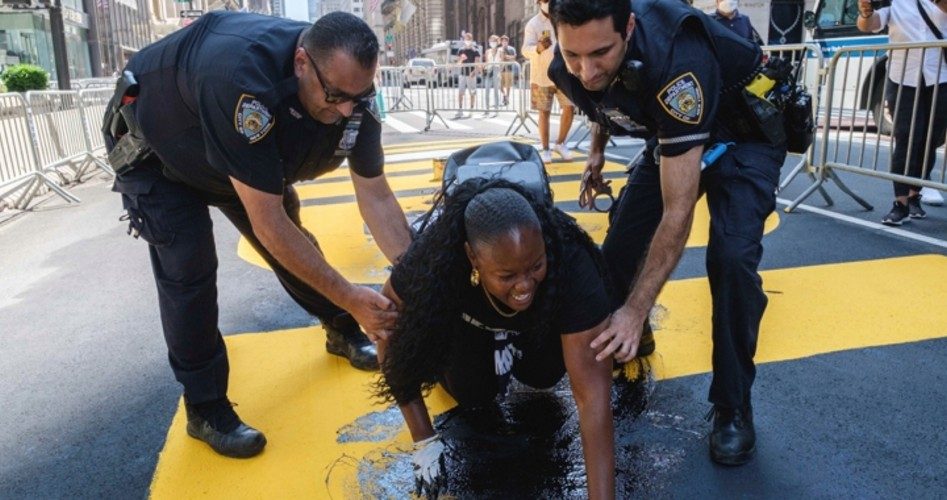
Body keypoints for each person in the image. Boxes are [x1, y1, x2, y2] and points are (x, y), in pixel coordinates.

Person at [106, 11, 412, 458]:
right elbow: (267, 223)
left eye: (359, 95)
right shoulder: (241, 80)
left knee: (294, 241)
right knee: (188, 266)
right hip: (162, 154)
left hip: (229, 160)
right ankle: (206, 407)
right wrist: (351, 293)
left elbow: (378, 199)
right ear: (302, 62)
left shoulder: (354, 96)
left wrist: (416, 275)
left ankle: (341, 328)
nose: (347, 110)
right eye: (335, 96)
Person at [548, 0, 787, 465]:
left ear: (630, 27)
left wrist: (638, 309)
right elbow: (602, 99)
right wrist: (596, 154)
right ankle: (629, 341)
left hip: (742, 134)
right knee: (618, 249)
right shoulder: (570, 61)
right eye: (573, 55)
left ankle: (733, 406)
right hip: (674, 132)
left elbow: (678, 212)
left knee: (731, 260)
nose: (585, 68)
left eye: (600, 53)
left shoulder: (677, 60)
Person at [372, 179, 616, 498]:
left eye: (535, 266)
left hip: (537, 324)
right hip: (470, 325)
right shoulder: (434, 257)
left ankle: (518, 340)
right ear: (473, 258)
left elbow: (593, 399)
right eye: (507, 275)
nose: (524, 284)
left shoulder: (570, 259)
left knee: (544, 377)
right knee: (473, 395)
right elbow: (385, 331)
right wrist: (423, 439)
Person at [858, 0, 947, 225]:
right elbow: (868, 25)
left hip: (940, 76)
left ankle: (915, 193)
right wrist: (866, 13)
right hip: (902, 78)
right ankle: (900, 203)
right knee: (906, 137)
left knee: (931, 139)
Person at [523, 0, 575, 163]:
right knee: (543, 112)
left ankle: (560, 143)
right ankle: (545, 149)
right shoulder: (533, 24)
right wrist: (537, 48)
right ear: (539, 2)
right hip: (541, 76)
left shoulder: (564, 18)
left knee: (569, 107)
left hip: (564, 74)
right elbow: (525, 50)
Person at [454, 32, 482, 119]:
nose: (467, 40)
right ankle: (460, 109)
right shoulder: (461, 50)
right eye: (466, 39)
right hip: (462, 74)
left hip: (471, 75)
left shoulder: (475, 50)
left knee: (472, 92)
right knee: (460, 92)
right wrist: (461, 60)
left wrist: (473, 72)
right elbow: (458, 64)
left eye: (469, 39)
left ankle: (471, 109)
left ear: (472, 40)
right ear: (464, 40)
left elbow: (477, 63)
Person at [483, 34, 504, 117]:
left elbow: (502, 63)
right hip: (489, 70)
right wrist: (484, 67)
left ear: (497, 42)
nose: (492, 42)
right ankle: (487, 109)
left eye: (494, 41)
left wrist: (500, 72)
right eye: (491, 41)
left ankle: (496, 109)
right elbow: (487, 61)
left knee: (496, 90)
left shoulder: (501, 51)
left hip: (496, 70)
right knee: (487, 90)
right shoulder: (487, 51)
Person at [499, 35, 517, 106]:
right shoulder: (499, 49)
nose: (504, 42)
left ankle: (507, 98)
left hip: (509, 69)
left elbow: (514, 57)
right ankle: (504, 95)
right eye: (503, 41)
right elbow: (499, 58)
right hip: (501, 69)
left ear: (507, 41)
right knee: (499, 85)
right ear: (501, 42)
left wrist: (507, 57)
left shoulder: (511, 49)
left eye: (505, 41)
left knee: (508, 85)